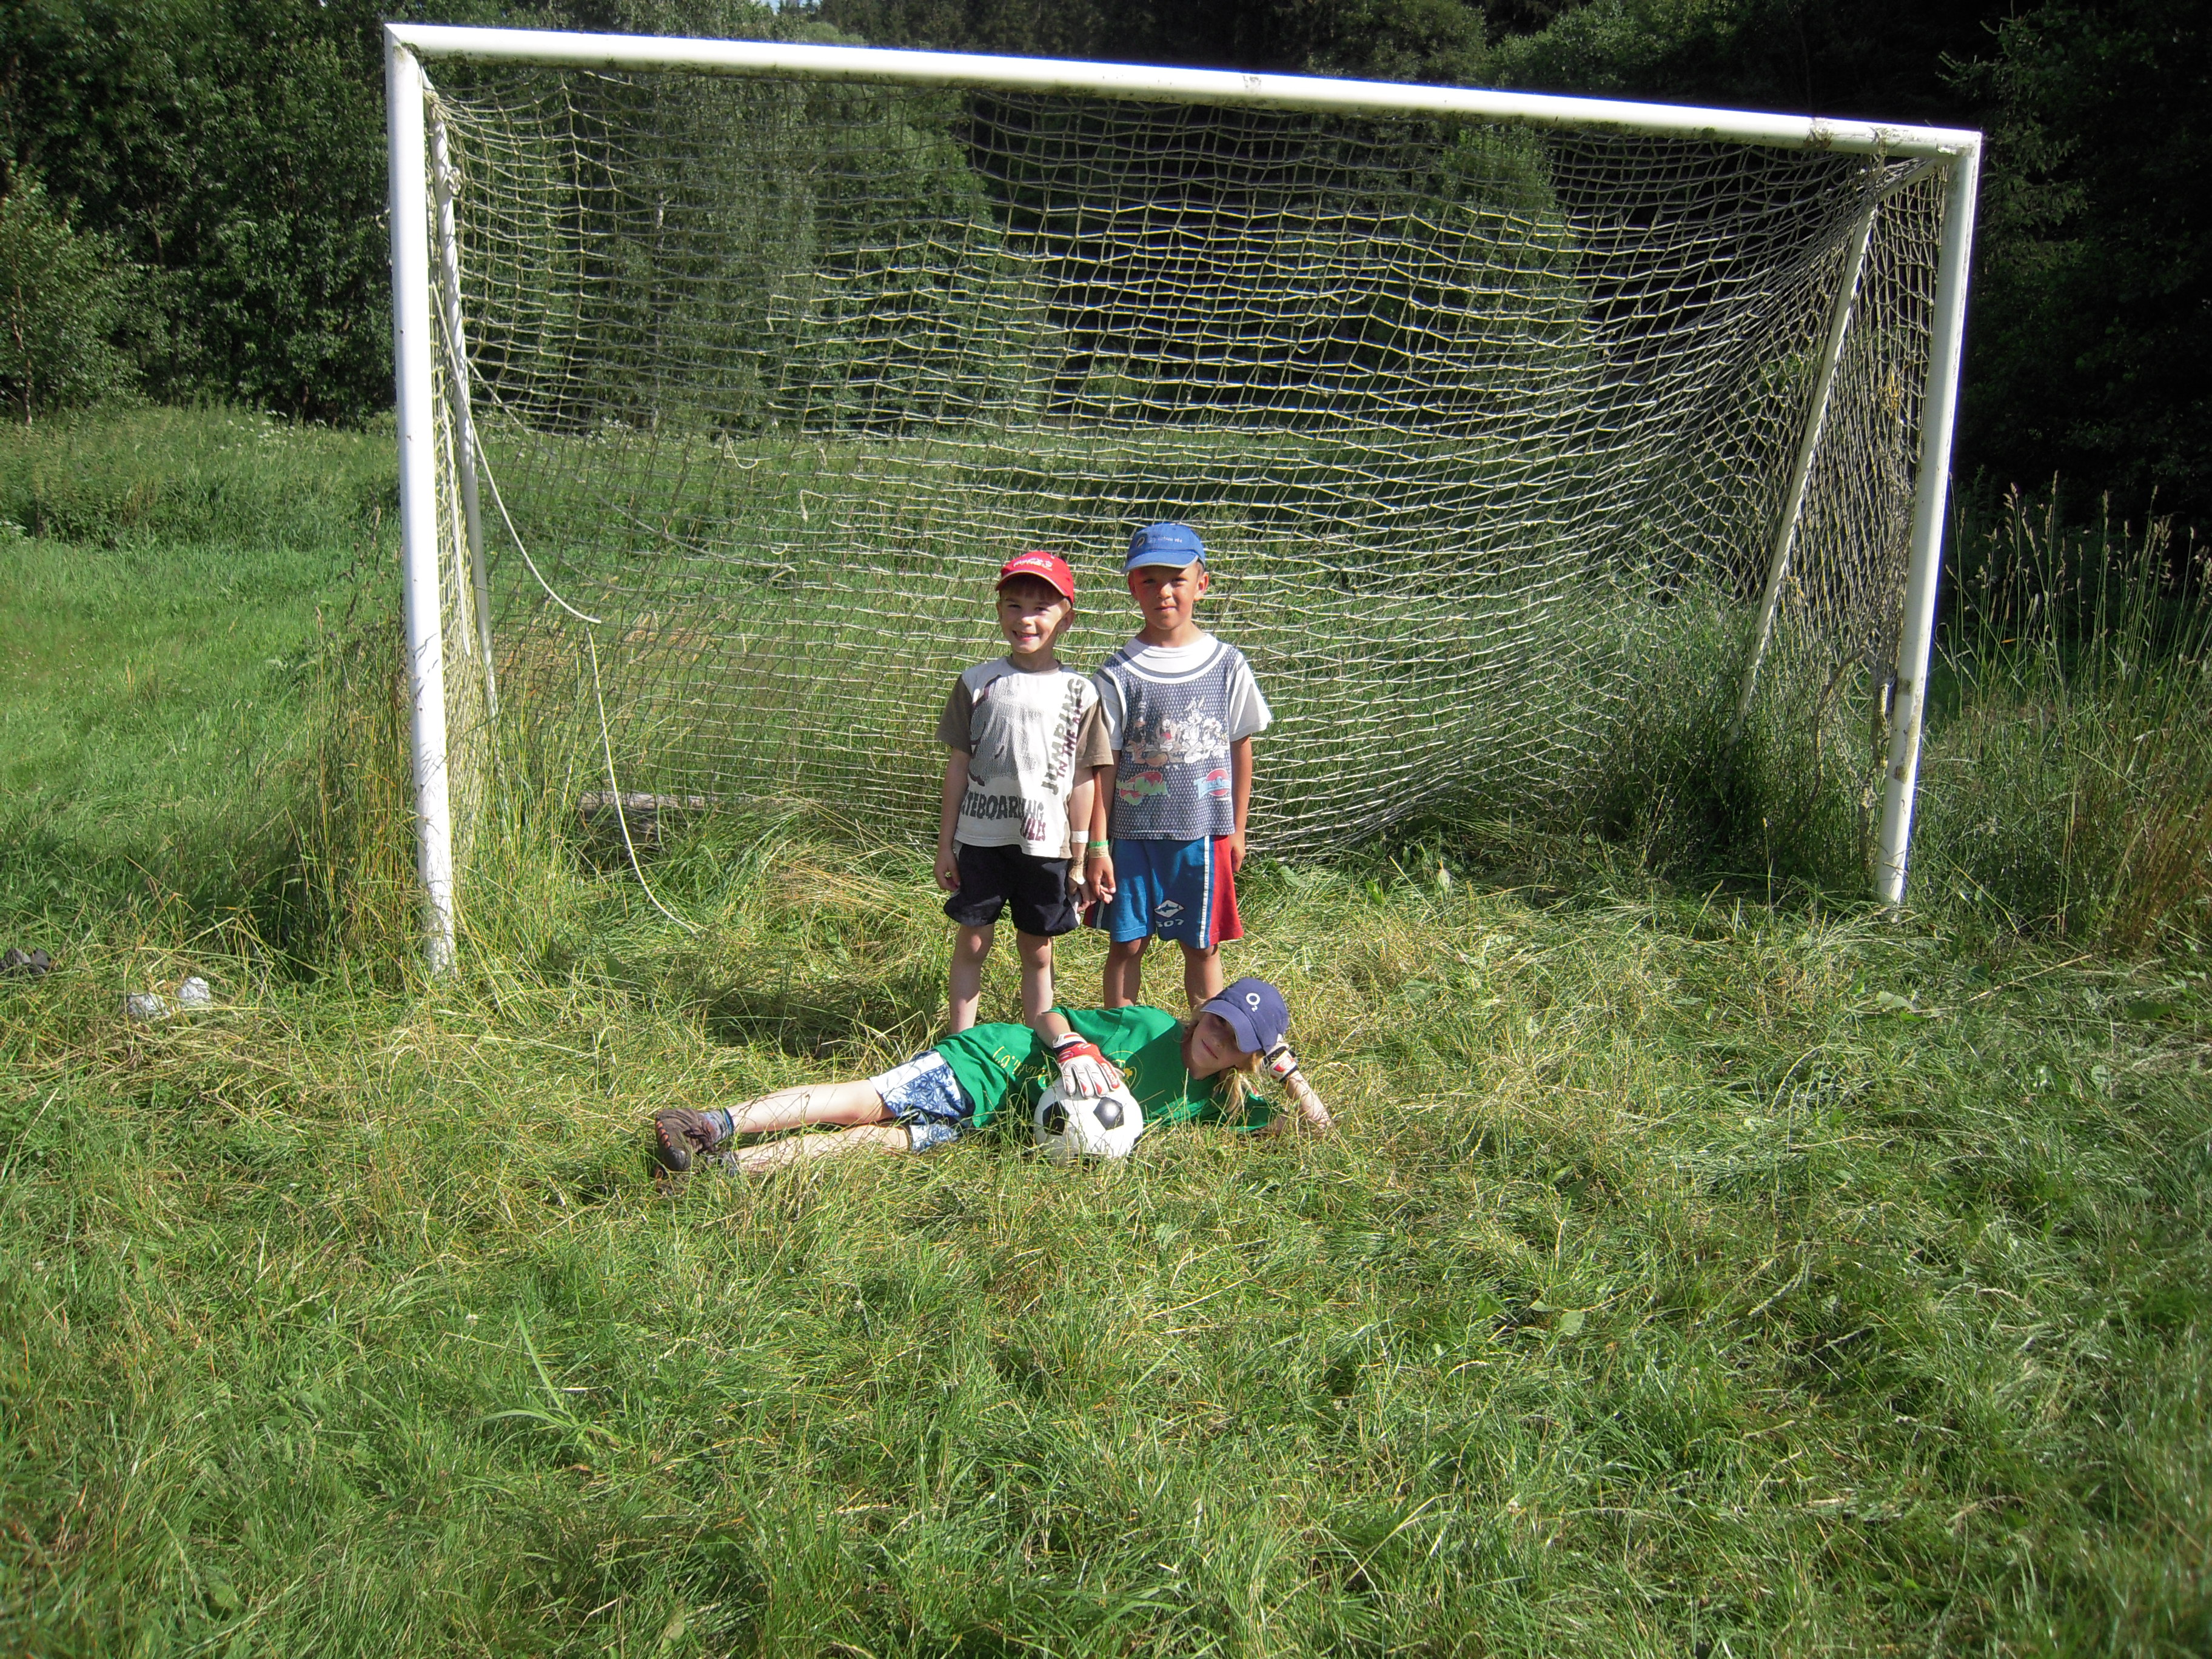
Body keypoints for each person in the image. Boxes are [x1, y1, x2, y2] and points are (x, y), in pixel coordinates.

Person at [650, 977, 1332, 1175]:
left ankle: (729, 1170)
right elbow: (1049, 1015)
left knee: (879, 1144)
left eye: (1234, 1040)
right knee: (866, 1104)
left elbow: (1315, 1133)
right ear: (1203, 1012)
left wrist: (1291, 1076)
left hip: (998, 1124)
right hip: (991, 1063)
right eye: (1216, 1021)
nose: (1214, 1039)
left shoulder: (1215, 1102)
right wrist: (1070, 1048)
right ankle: (709, 1124)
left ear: (1248, 1058)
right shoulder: (1151, 1026)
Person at [1084, 523, 1271, 1011]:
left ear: (1201, 585)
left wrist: (1238, 829)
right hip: (1132, 838)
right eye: (1149, 580)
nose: (1163, 592)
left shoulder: (1227, 664)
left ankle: (1207, 1045)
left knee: (1202, 946)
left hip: (1202, 836)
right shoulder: (1116, 673)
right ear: (1132, 587)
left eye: (1177, 580)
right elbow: (1105, 767)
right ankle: (1121, 1044)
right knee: (1127, 945)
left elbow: (1241, 748)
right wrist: (1098, 845)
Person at [934, 551, 1114, 1031]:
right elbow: (958, 766)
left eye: (1040, 608)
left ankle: (1043, 1043)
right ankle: (959, 1043)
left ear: (1066, 619)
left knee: (1037, 949)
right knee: (974, 941)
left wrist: (1081, 856)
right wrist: (946, 845)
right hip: (980, 840)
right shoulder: (976, 682)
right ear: (999, 613)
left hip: (1046, 845)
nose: (1026, 619)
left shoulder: (1081, 692)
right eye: (1014, 606)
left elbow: (1084, 779)